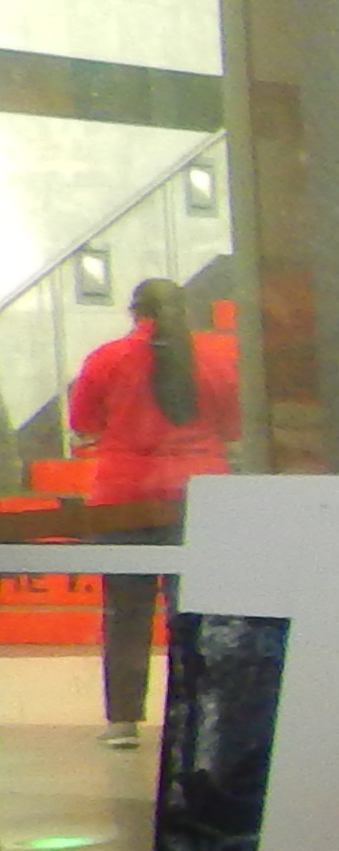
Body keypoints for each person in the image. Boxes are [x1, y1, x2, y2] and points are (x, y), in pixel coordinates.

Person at [69, 270, 237, 741]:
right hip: (198, 495)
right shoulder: (218, 358)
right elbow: (234, 425)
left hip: (122, 497)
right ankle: (199, 715)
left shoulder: (106, 358)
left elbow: (83, 421)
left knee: (125, 613)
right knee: (196, 612)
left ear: (134, 313)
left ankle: (123, 721)